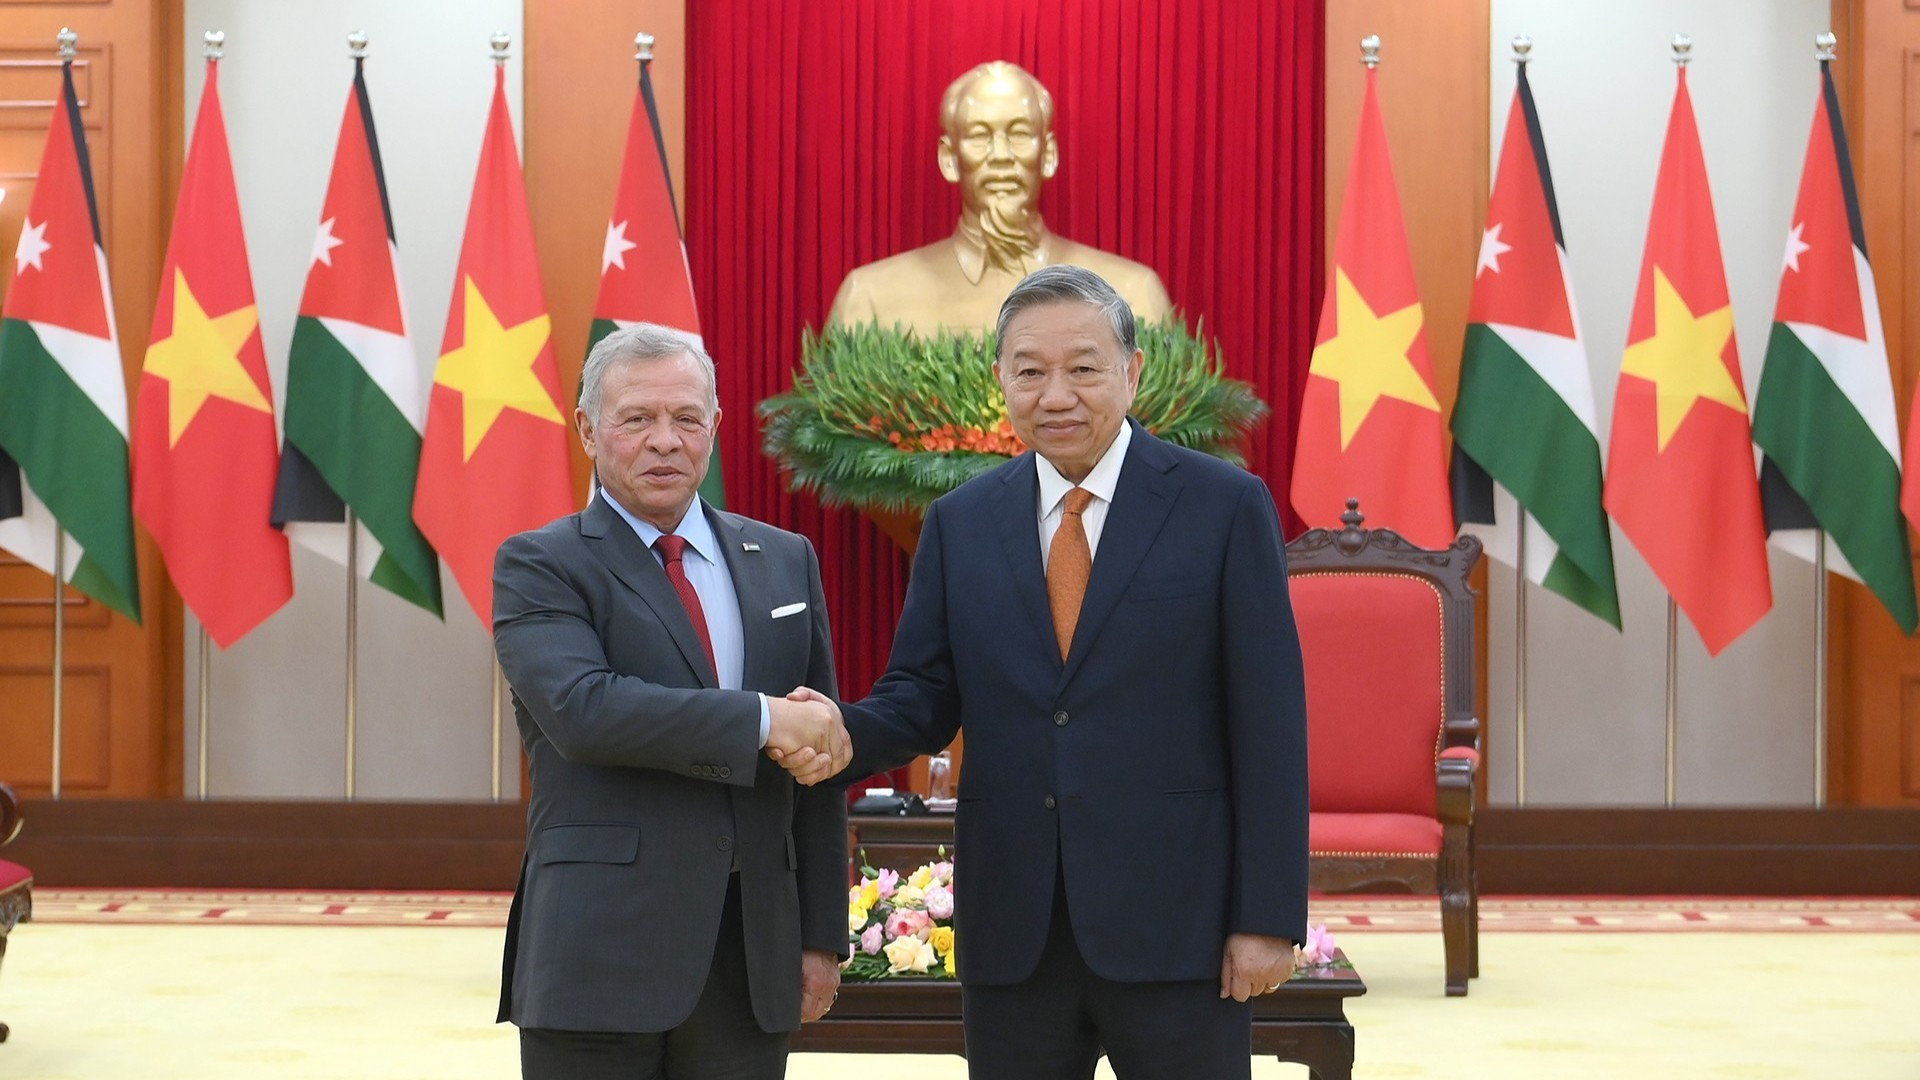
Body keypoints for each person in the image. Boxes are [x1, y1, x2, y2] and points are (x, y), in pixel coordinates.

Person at [784, 265, 1309, 1079]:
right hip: (1015, 931)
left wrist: (1268, 916)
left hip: (1179, 927)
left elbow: (1269, 724)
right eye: (1029, 370)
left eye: (1083, 368)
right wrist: (834, 729)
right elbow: (923, 696)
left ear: (1133, 372)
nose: (1055, 394)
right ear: (1001, 379)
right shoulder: (960, 523)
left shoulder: (1223, 506)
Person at [493, 323, 852, 1080]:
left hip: (751, 958)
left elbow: (816, 763)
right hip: (599, 954)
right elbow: (585, 712)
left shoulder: (785, 560)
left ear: (715, 429)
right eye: (637, 419)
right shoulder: (540, 564)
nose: (665, 440)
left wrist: (821, 935)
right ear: (588, 429)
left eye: (686, 418)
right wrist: (761, 719)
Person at [825, 61, 1173, 336]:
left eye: (1020, 133)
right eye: (979, 136)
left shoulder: (1132, 295)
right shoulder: (870, 299)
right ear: (949, 159)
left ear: (1048, 153)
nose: (1001, 155)